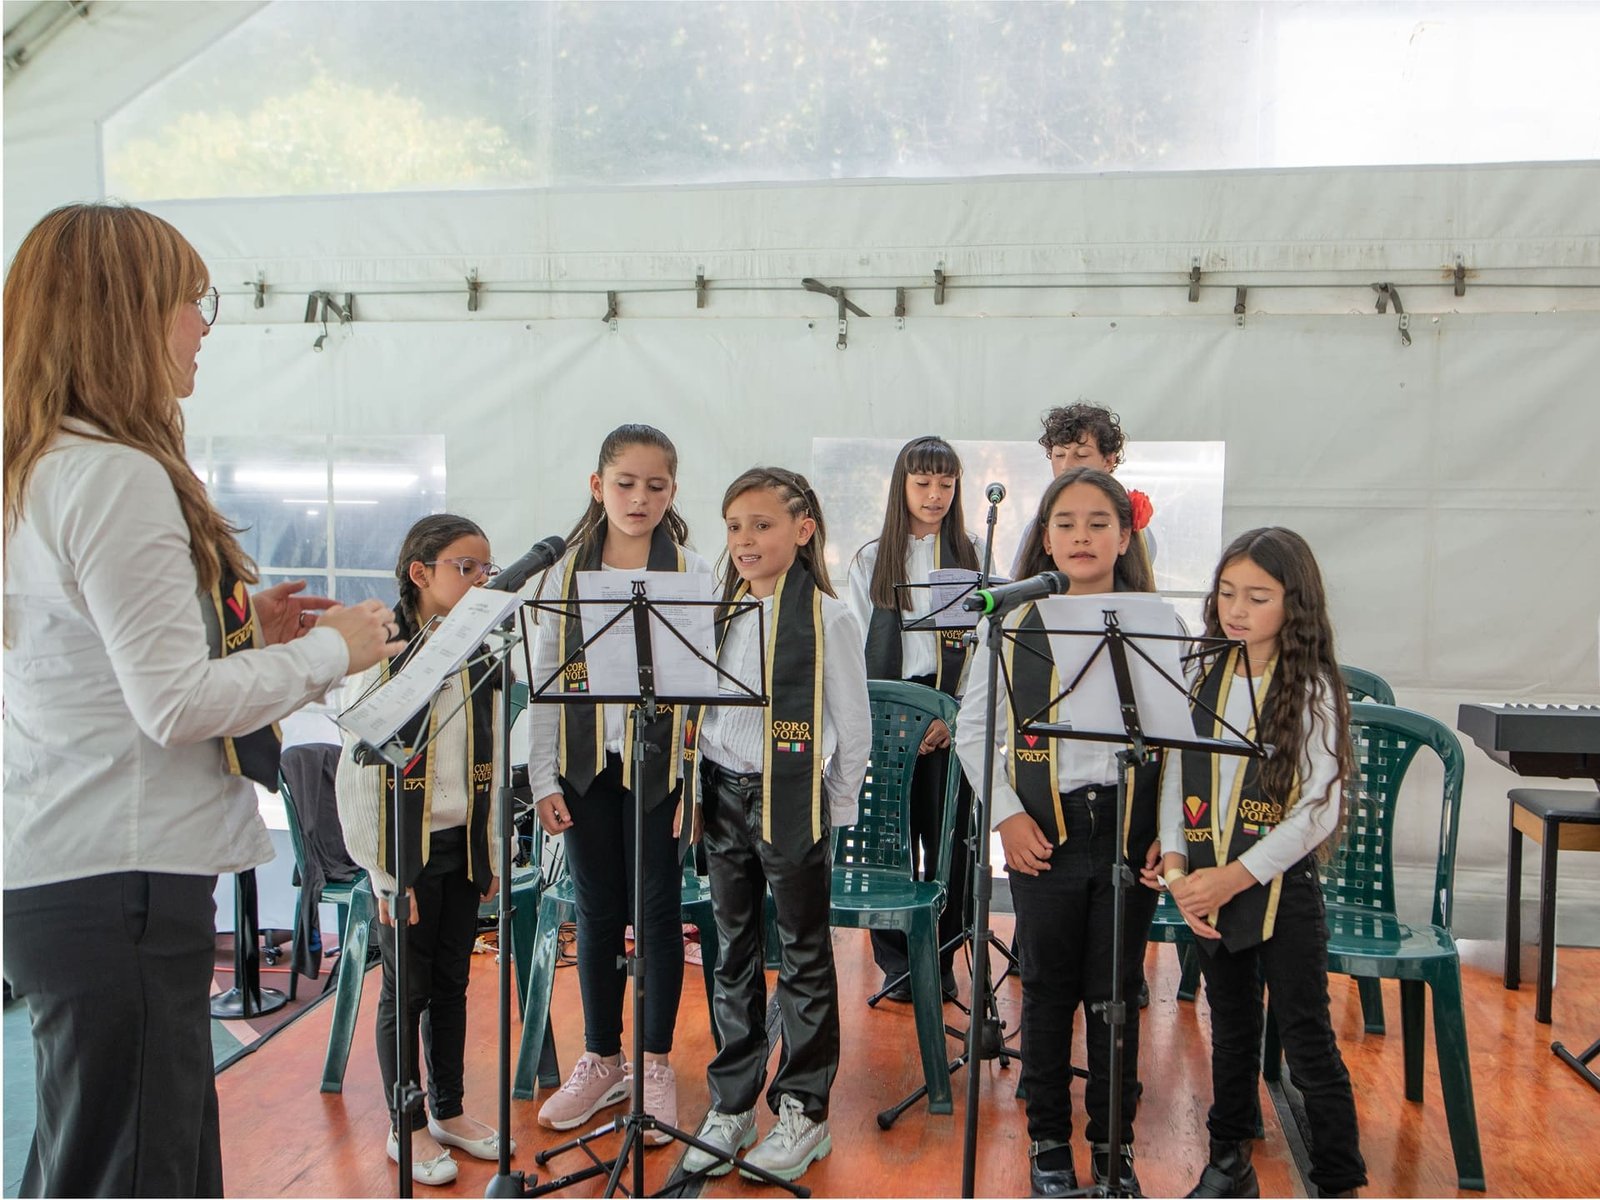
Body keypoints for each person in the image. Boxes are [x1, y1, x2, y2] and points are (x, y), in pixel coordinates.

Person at [1, 202, 401, 1198]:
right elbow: (173, 705)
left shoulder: (41, 466)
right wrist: (332, 649)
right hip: (122, 878)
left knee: (112, 1160)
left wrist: (242, 631)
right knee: (140, 1171)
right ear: (125, 315)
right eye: (190, 301)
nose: (202, 328)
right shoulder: (115, 476)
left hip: (78, 870)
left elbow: (91, 663)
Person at [956, 467, 1165, 1197]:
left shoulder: (1156, 623)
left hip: (1129, 832)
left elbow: (1180, 744)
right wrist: (1007, 816)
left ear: (1125, 536)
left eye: (1098, 523)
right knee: (1045, 991)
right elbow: (974, 732)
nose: (1082, 537)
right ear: (1044, 538)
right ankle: (1048, 1142)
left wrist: (1168, 834)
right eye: (1065, 524)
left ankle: (1114, 1147)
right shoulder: (1012, 625)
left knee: (1116, 993)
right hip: (1044, 830)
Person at [1145, 527, 1366, 1199]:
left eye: (1258, 597)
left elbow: (1318, 811)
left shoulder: (1313, 689)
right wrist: (1179, 872)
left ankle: (1338, 1180)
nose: (1237, 610)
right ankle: (1229, 1164)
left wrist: (1233, 878)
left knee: (1307, 1037)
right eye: (1227, 593)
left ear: (1295, 604)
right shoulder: (1198, 673)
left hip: (1278, 890)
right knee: (1232, 1031)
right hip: (1205, 885)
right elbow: (1175, 773)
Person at [680, 467, 871, 1183]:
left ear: (803, 529)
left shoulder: (829, 618)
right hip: (721, 793)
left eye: (762, 525)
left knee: (802, 955)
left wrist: (833, 812)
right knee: (731, 950)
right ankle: (732, 1103)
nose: (745, 540)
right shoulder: (719, 611)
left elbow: (853, 728)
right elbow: (699, 711)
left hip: (790, 797)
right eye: (735, 527)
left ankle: (803, 1111)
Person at [528, 423, 711, 1141]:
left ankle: (655, 1064)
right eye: (625, 483)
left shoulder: (694, 572)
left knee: (659, 914)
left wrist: (694, 787)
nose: (639, 498)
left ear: (673, 491)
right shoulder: (561, 575)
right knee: (597, 912)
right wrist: (542, 777)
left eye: (655, 486)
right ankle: (602, 1058)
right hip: (584, 769)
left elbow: (706, 694)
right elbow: (544, 687)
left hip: (661, 772)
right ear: (597, 486)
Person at [335, 514, 513, 1186]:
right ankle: (403, 1121)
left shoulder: (479, 650)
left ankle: (449, 1110)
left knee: (451, 984)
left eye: (486, 569)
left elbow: (491, 758)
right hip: (402, 850)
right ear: (420, 572)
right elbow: (358, 776)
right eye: (466, 568)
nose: (481, 580)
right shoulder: (384, 650)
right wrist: (384, 873)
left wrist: (491, 848)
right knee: (404, 992)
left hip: (460, 844)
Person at [847, 435, 979, 1002]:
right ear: (901, 486)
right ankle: (897, 963)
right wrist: (891, 719)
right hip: (888, 712)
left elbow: (985, 647)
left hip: (950, 711)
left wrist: (955, 714)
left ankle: (943, 957)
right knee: (887, 841)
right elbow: (855, 647)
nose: (934, 495)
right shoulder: (871, 558)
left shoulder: (973, 554)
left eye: (946, 484)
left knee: (950, 840)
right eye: (923, 483)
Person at [1010, 402, 1154, 581]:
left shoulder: (1133, 527)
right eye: (1059, 455)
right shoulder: (1037, 526)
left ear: (1108, 461)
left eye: (1082, 455)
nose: (1066, 466)